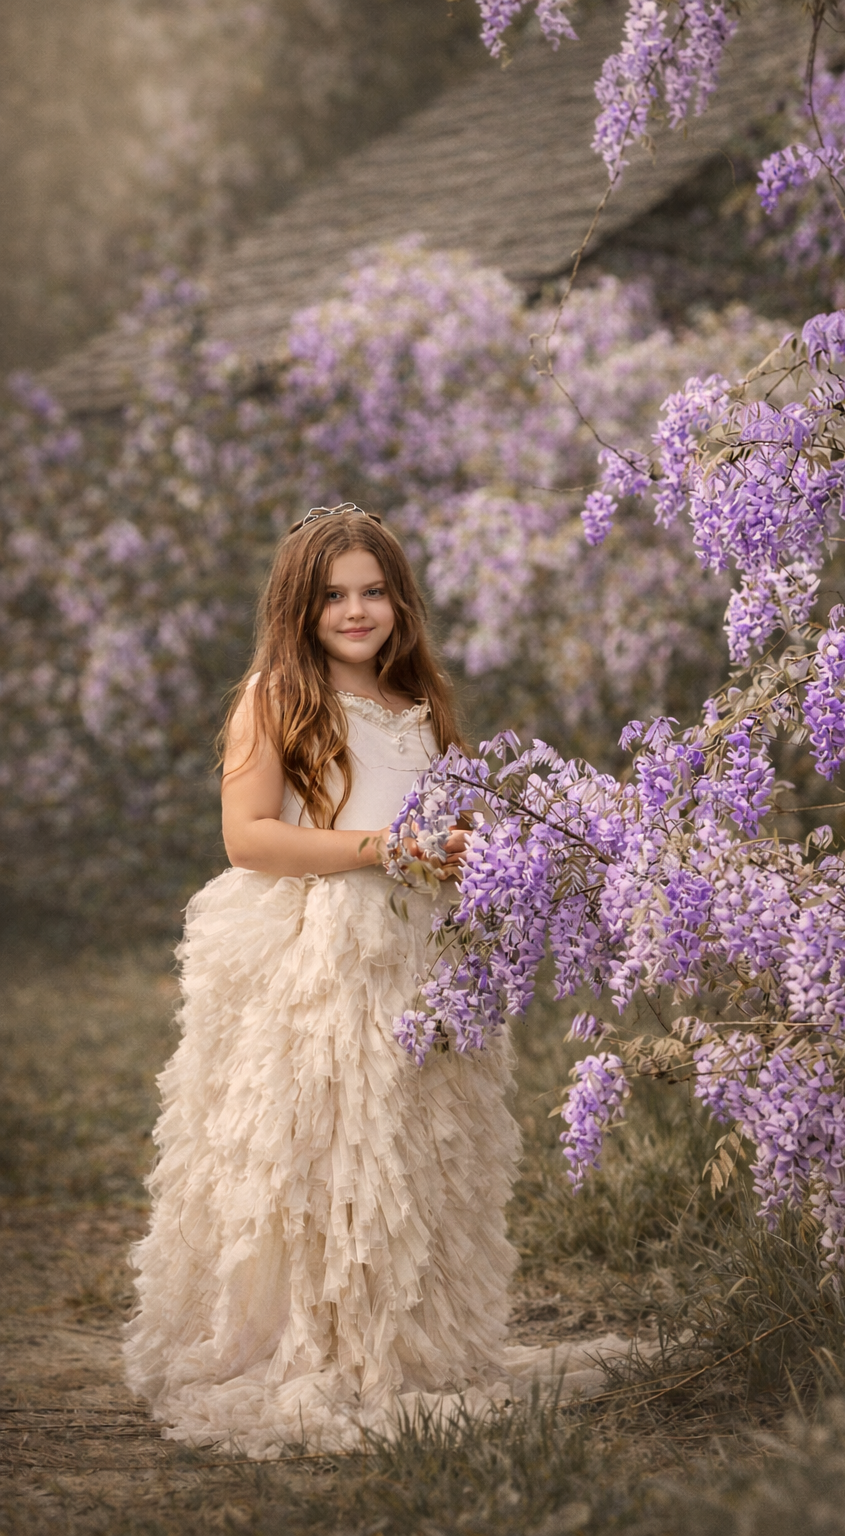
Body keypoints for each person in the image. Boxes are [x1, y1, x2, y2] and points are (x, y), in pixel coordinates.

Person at [125, 505, 619, 1460]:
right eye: (334, 596)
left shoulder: (420, 704)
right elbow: (249, 837)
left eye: (374, 592)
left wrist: (495, 852)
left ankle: (408, 1343)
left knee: (415, 1149)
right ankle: (322, 1343)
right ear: (299, 608)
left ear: (400, 601)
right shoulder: (275, 695)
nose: (357, 611)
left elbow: (450, 824)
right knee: (328, 1154)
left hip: (423, 951)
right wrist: (383, 846)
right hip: (327, 946)